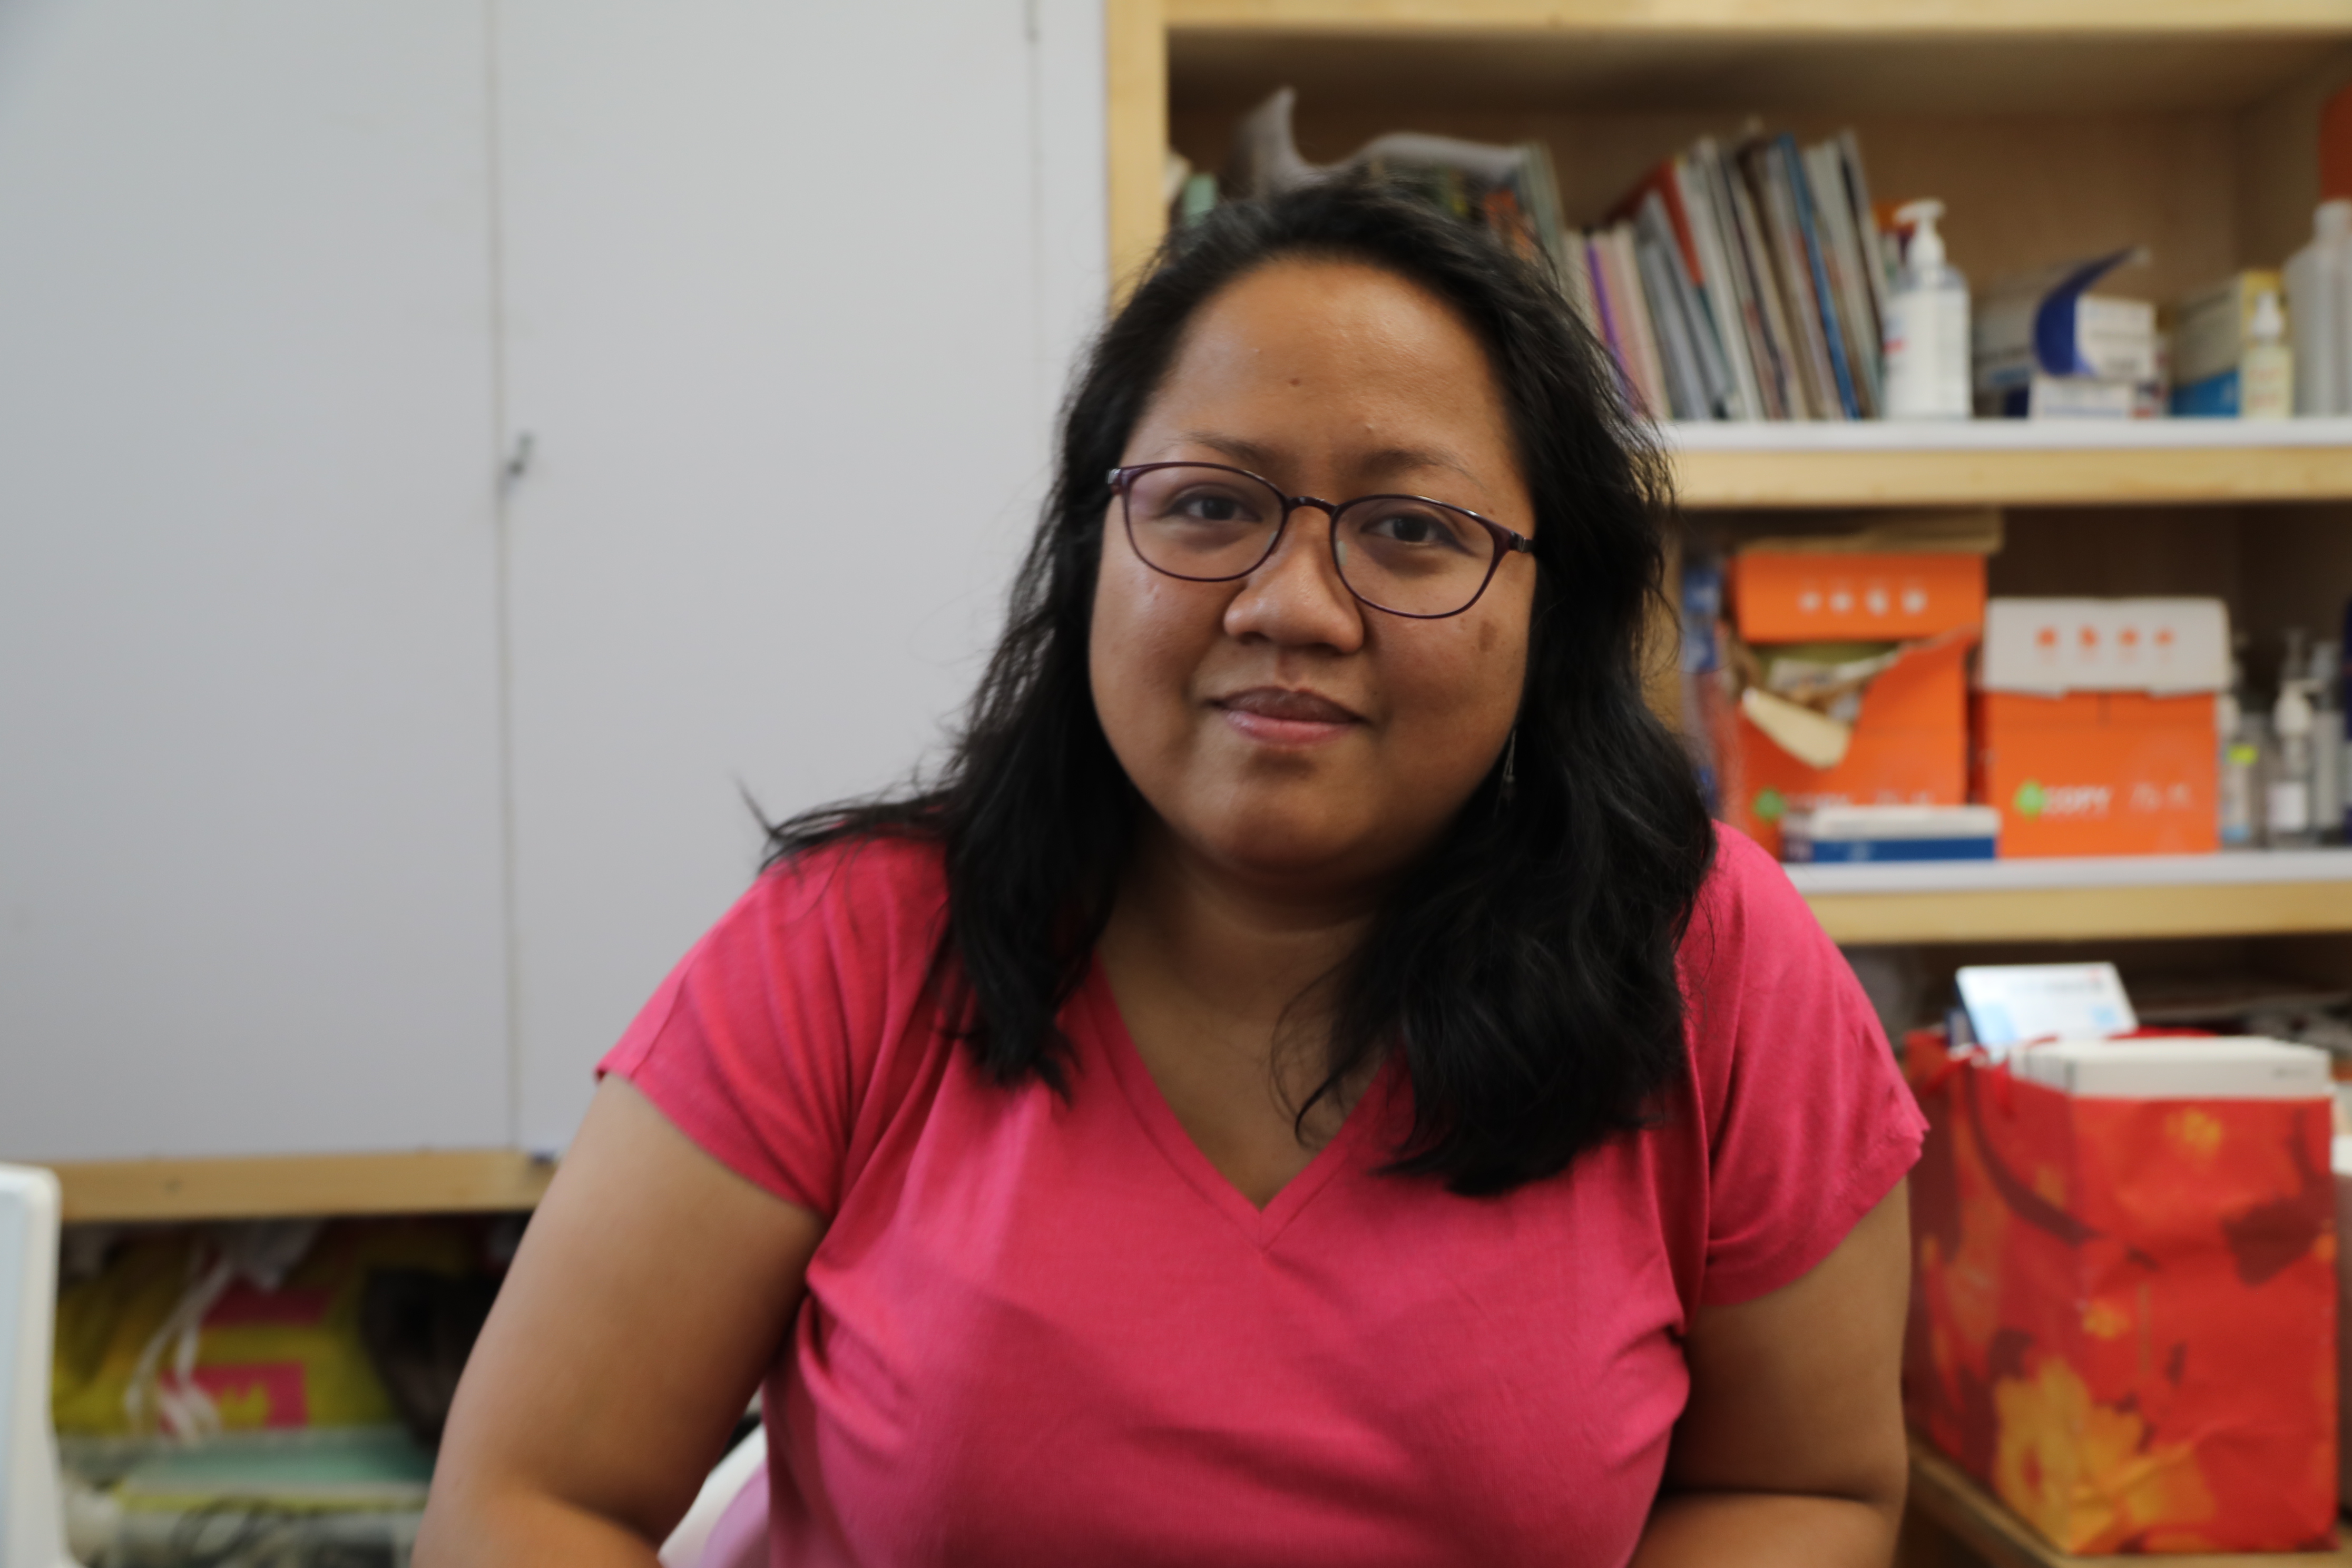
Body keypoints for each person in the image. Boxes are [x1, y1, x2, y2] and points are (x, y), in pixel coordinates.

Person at [417, 180, 1925, 1567]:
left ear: (1555, 609)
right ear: (1095, 549)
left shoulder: (1707, 957)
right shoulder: (849, 948)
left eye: (1411, 532)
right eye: (1210, 506)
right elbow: (530, 1498)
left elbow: (1800, 1485)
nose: (1291, 604)